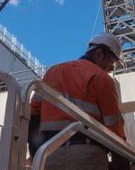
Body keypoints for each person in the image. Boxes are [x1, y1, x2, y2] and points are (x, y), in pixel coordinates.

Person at [29, 32, 126, 170]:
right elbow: (114, 127)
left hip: (48, 153)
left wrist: (35, 152)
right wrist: (123, 162)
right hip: (87, 155)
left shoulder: (52, 72)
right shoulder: (102, 78)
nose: (111, 68)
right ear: (99, 54)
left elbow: (33, 114)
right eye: (111, 61)